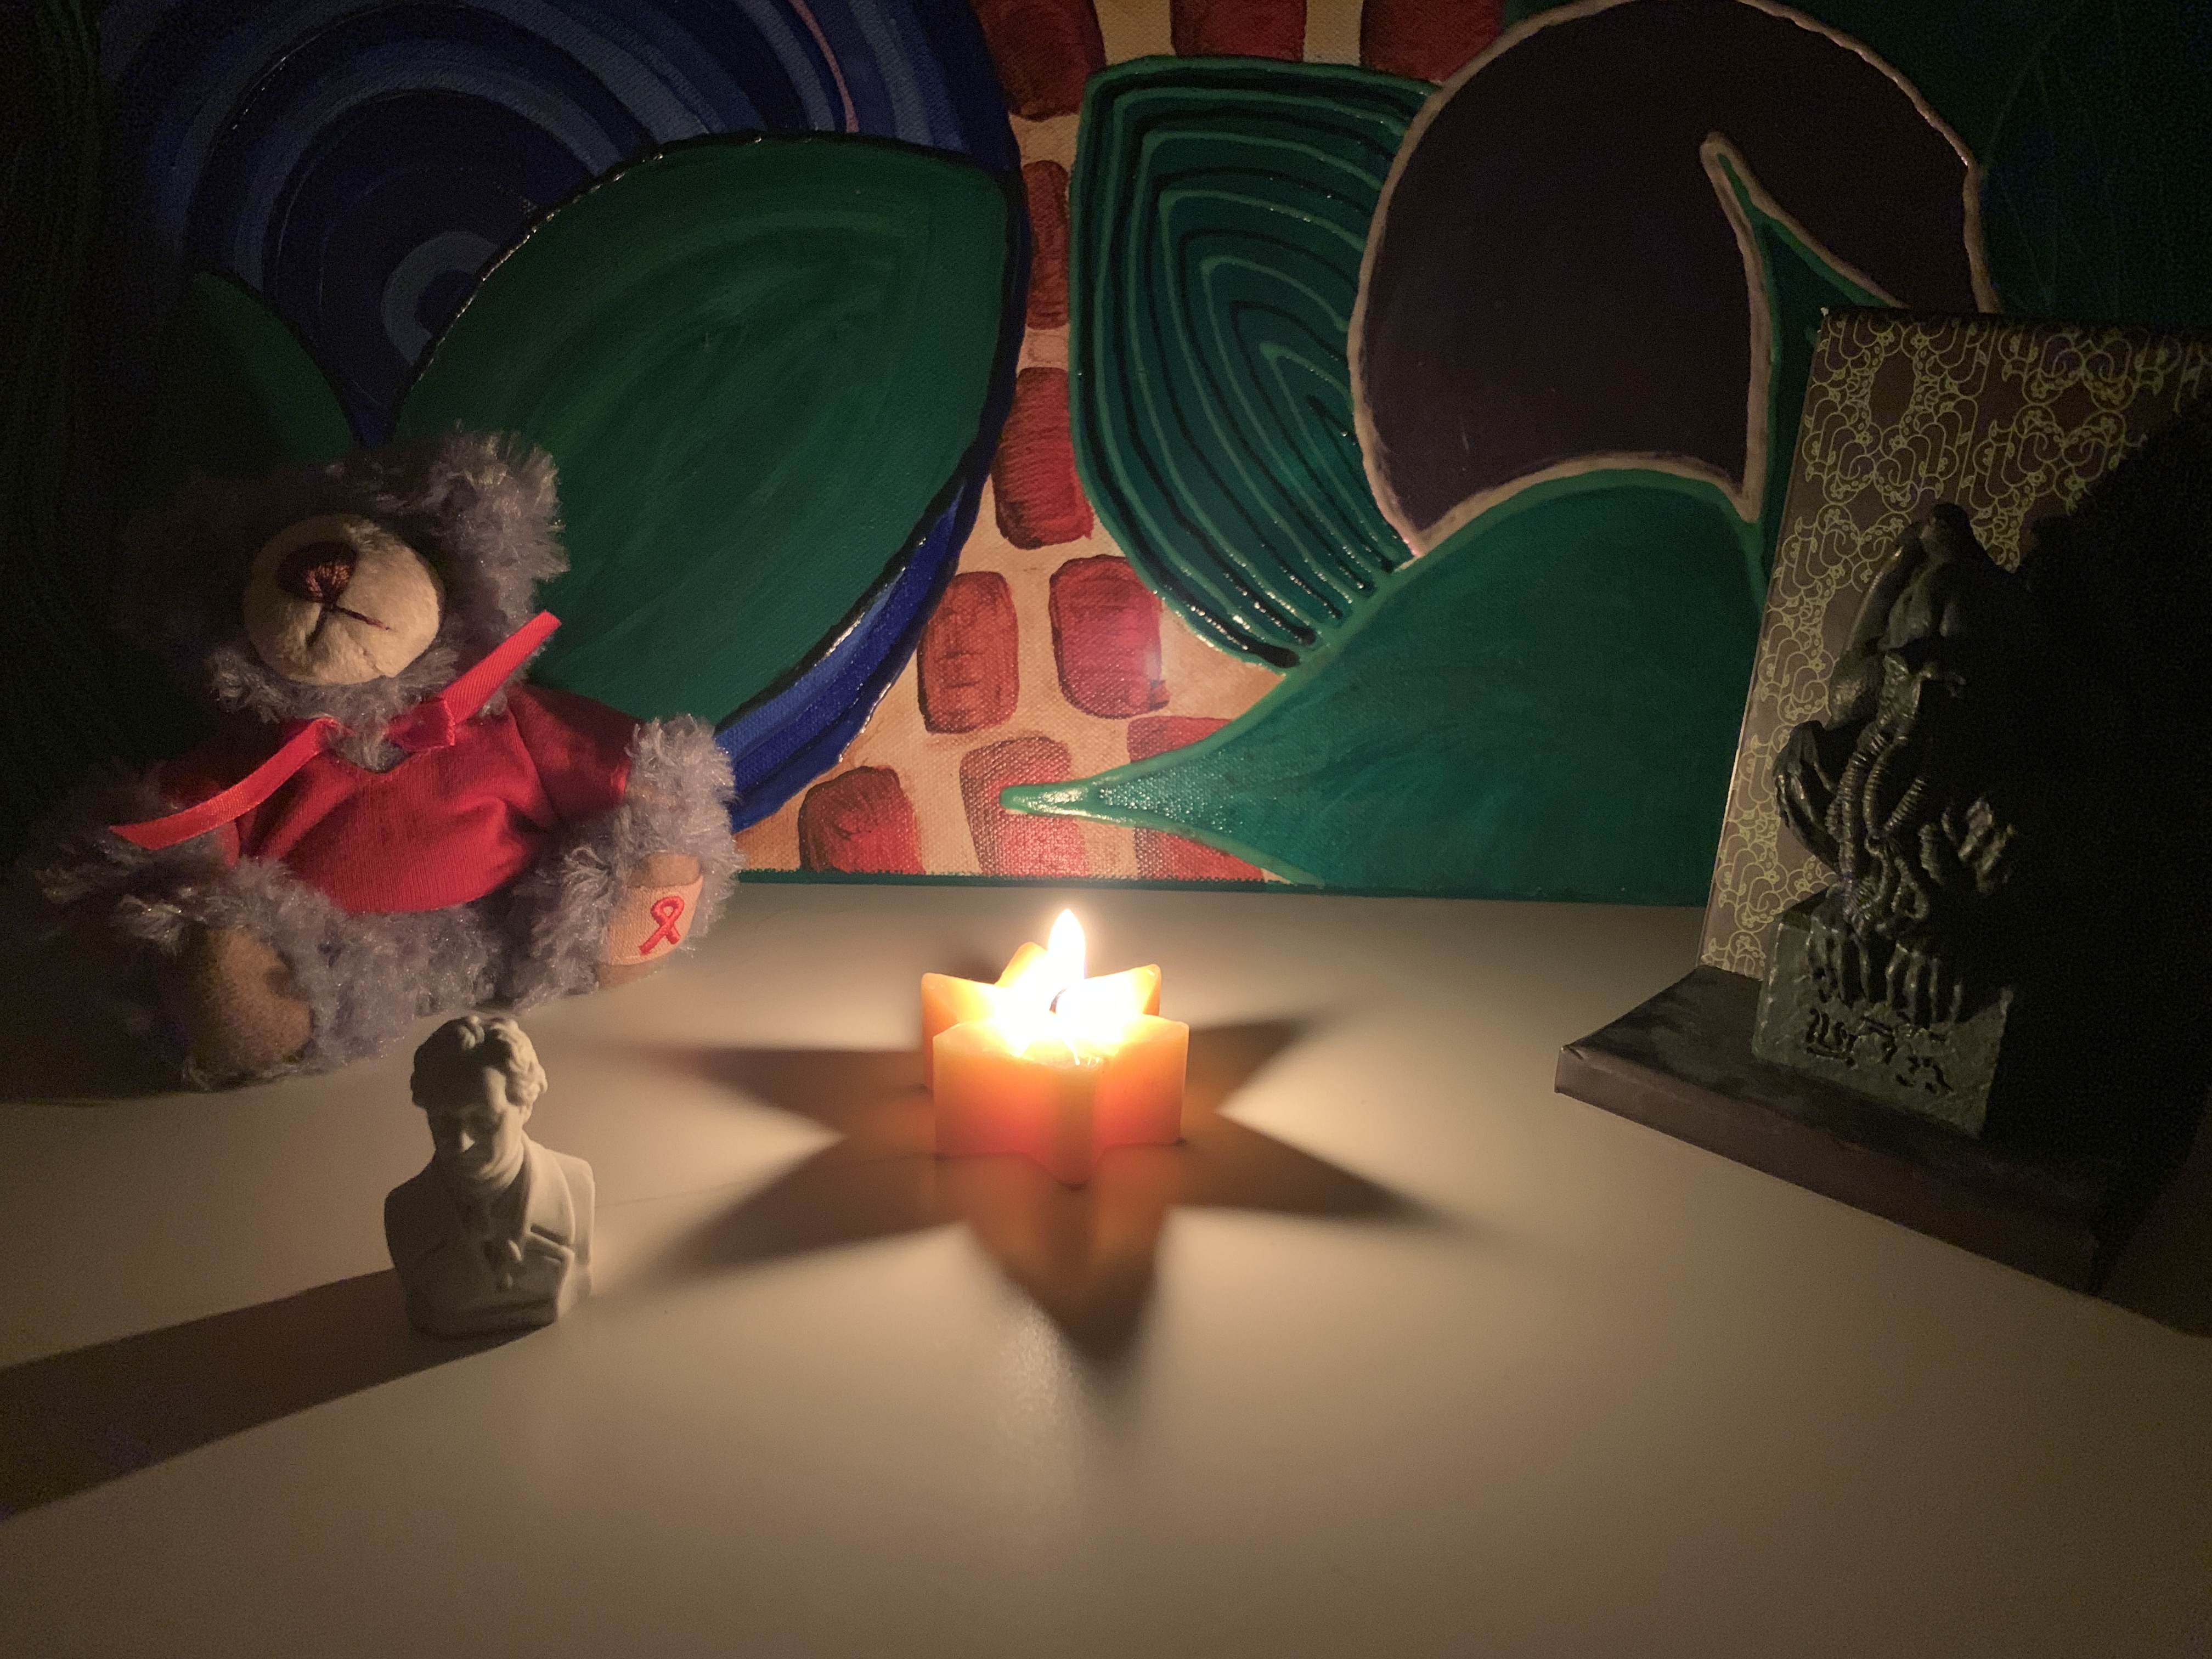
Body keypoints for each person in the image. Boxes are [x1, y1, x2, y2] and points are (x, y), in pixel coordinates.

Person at [385, 1014, 593, 1336]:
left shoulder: (575, 1185)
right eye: (443, 1122)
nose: (460, 1144)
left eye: (483, 1122)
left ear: (524, 1106)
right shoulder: (405, 1213)